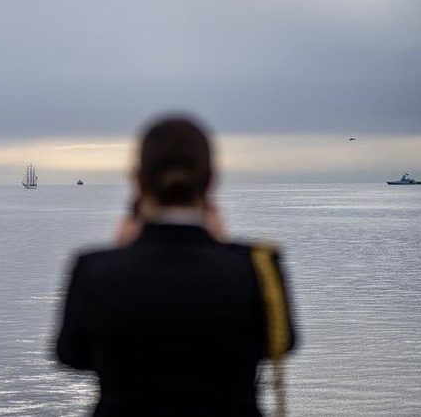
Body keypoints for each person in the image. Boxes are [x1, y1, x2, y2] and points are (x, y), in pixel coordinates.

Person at [56, 114, 296, 416]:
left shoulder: (94, 270)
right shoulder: (259, 269)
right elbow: (282, 343)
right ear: (210, 181)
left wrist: (121, 254)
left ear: (138, 181)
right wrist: (226, 249)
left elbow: (72, 354)